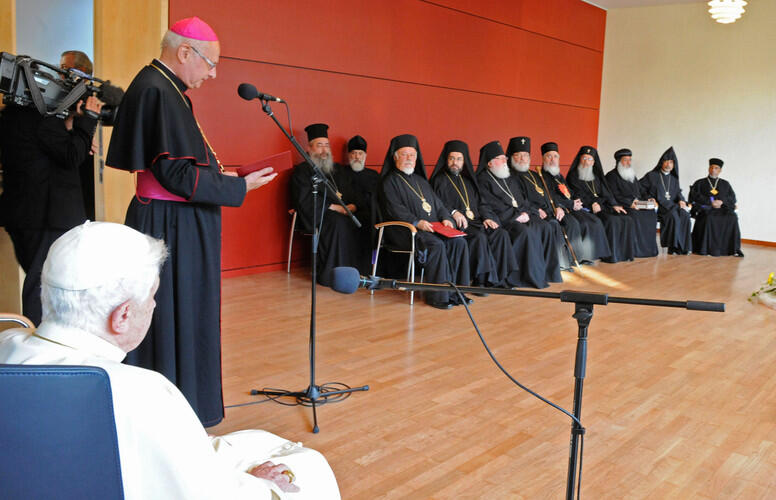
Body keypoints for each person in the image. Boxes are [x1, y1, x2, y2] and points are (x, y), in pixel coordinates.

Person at [0, 221, 340, 500]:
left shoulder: (5, 343)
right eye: (152, 296)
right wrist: (260, 484)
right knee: (308, 468)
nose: (155, 306)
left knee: (257, 442)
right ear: (122, 316)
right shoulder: (141, 393)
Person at [105, 17, 278, 426]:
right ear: (185, 52)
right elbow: (175, 175)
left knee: (177, 314)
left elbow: (184, 166)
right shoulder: (158, 90)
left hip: (173, 219)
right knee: (172, 316)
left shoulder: (165, 88)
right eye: (209, 63)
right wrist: (237, 188)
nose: (213, 73)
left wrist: (226, 178)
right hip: (172, 224)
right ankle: (173, 412)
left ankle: (179, 406)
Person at [0, 52, 103, 326]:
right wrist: (87, 123)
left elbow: (44, 152)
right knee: (41, 285)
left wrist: (69, 126)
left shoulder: (10, 115)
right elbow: (71, 156)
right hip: (45, 217)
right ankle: (40, 352)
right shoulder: (43, 119)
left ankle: (40, 341)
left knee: (37, 279)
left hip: (20, 214)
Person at [378, 134, 471, 309]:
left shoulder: (421, 181)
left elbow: (438, 204)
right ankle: (438, 296)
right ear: (395, 157)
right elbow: (394, 210)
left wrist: (445, 218)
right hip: (404, 231)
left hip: (432, 229)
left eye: (412, 155)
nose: (409, 159)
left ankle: (457, 292)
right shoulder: (389, 182)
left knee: (459, 243)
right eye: (404, 154)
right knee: (436, 245)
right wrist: (416, 222)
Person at [430, 139, 518, 288]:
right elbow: (437, 203)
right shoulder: (439, 180)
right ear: (446, 160)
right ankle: (481, 281)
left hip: (476, 220)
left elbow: (481, 203)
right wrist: (454, 212)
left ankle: (501, 278)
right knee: (479, 236)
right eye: (451, 158)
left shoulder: (468, 181)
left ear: (464, 161)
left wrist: (487, 217)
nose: (455, 162)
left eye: (459, 159)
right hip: (457, 224)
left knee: (500, 233)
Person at [290, 124, 370, 282]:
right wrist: (333, 207)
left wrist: (353, 205)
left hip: (342, 212)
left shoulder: (337, 170)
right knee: (338, 221)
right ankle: (333, 275)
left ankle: (359, 272)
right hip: (319, 214)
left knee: (364, 218)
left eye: (327, 145)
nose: (324, 150)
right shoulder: (302, 171)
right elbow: (304, 200)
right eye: (319, 146)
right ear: (309, 148)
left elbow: (352, 191)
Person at [475, 140, 560, 288]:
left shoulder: (508, 177)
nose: (505, 161)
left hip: (520, 215)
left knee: (544, 226)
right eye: (501, 159)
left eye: (504, 158)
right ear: (490, 163)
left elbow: (521, 199)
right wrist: (515, 216)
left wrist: (526, 212)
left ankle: (546, 272)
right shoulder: (483, 180)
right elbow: (490, 204)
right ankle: (522, 277)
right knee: (524, 232)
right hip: (504, 220)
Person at [507, 136, 576, 270]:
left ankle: (563, 261)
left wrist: (558, 206)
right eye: (518, 155)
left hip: (548, 210)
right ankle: (553, 265)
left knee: (567, 221)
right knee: (552, 225)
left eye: (525, 155)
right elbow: (520, 200)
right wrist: (535, 210)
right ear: (511, 157)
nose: (522, 159)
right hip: (532, 213)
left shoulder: (535, 174)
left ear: (530, 158)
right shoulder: (510, 176)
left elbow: (549, 193)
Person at [537, 142, 611, 264]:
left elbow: (569, 192)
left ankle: (591, 255)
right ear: (543, 158)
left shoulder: (558, 175)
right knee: (581, 223)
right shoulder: (542, 177)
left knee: (593, 220)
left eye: (555, 156)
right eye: (549, 156)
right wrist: (570, 204)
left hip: (570, 206)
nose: (553, 160)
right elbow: (550, 197)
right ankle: (578, 257)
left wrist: (576, 201)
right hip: (560, 208)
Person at [566, 146, 635, 263]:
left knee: (626, 219)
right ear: (579, 159)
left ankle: (623, 254)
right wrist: (592, 203)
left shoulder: (596, 177)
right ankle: (610, 256)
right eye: (584, 158)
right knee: (611, 221)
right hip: (586, 208)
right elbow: (576, 195)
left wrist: (614, 205)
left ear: (593, 162)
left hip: (602, 206)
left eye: (589, 159)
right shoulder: (574, 176)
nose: (586, 162)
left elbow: (607, 193)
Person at [604, 148, 659, 258]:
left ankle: (649, 250)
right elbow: (614, 195)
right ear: (619, 161)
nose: (629, 163)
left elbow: (641, 191)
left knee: (651, 214)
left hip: (637, 204)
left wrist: (649, 198)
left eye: (630, 160)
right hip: (624, 206)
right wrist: (630, 203)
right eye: (625, 160)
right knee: (636, 215)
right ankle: (635, 251)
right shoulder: (611, 176)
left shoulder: (631, 175)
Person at [639, 146, 692, 254]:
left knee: (685, 216)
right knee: (673, 216)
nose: (668, 165)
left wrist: (681, 200)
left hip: (673, 205)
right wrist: (649, 198)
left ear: (674, 165)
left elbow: (678, 193)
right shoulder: (651, 175)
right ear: (661, 163)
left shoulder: (674, 179)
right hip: (660, 207)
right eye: (666, 162)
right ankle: (673, 247)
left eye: (671, 162)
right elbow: (640, 188)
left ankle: (683, 247)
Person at [689, 158, 743, 257]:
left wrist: (722, 202)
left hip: (723, 209)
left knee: (732, 217)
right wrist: (711, 202)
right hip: (706, 209)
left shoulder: (725, 184)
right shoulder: (700, 183)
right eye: (711, 167)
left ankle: (732, 249)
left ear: (720, 170)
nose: (713, 170)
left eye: (716, 168)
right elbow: (694, 197)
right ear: (709, 169)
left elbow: (732, 198)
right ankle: (706, 248)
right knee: (709, 217)